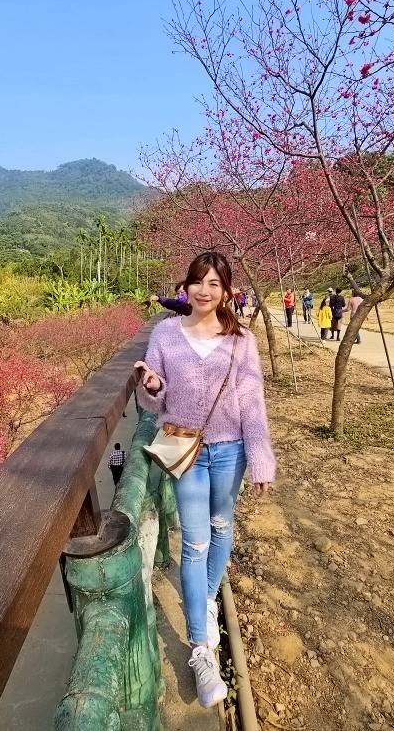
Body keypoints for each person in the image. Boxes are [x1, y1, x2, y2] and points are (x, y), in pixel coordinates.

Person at [134, 251, 276, 709]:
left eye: (215, 283)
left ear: (226, 291)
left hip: (230, 449)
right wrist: (153, 387)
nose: (205, 290)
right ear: (186, 288)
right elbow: (154, 399)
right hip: (185, 448)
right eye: (198, 281)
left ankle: (207, 598)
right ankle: (201, 649)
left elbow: (251, 401)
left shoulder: (241, 340)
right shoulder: (164, 334)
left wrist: (260, 456)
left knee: (220, 528)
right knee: (194, 543)